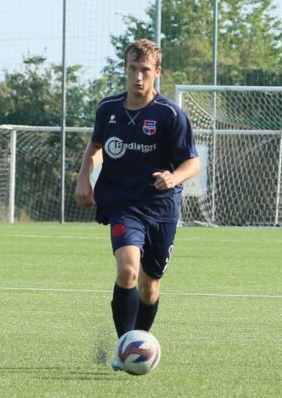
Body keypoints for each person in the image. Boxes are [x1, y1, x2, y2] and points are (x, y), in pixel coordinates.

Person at [75, 39, 200, 370]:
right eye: (133, 69)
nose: (138, 77)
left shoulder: (170, 114)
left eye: (146, 70)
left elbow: (193, 163)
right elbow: (96, 147)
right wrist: (83, 176)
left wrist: (174, 178)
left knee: (149, 286)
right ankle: (123, 348)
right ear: (125, 69)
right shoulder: (109, 109)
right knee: (128, 270)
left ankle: (138, 344)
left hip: (161, 207)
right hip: (121, 202)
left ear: (157, 72)